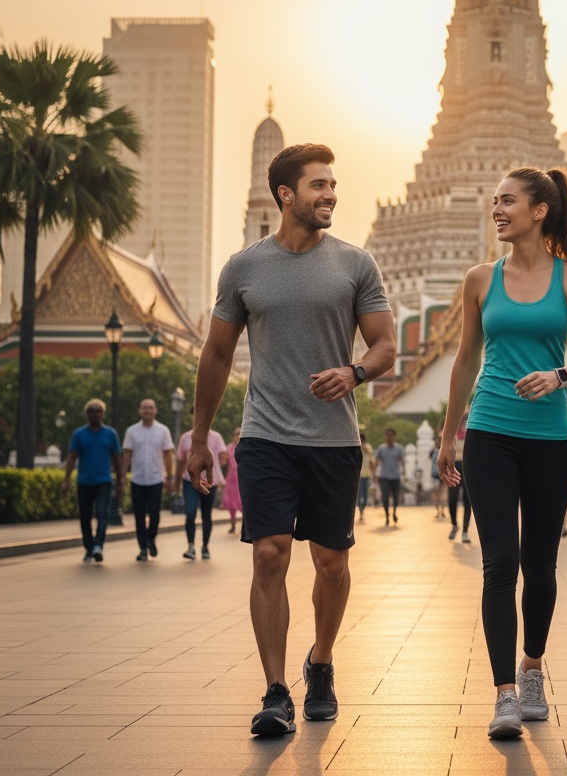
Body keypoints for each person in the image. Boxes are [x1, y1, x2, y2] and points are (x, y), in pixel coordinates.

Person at [184, 143, 395, 738]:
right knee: (269, 552)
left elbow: (384, 345)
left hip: (333, 439)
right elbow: (219, 352)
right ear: (285, 195)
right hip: (266, 434)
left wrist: (353, 372)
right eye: (317, 186)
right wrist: (201, 438)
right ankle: (276, 690)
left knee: (330, 564)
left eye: (333, 185)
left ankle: (320, 663)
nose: (330, 195)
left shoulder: (356, 265)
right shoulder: (243, 268)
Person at [438, 166, 567, 740]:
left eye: (508, 201)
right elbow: (464, 359)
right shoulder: (481, 279)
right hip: (489, 433)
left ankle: (531, 668)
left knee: (541, 566)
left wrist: (558, 375)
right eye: (494, 201)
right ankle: (504, 693)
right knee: (498, 565)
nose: (498, 209)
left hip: (552, 440)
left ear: (540, 210)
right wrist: (447, 435)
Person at [61, 399, 124, 564]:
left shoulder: (110, 434)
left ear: (103, 414)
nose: (94, 414)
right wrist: (66, 480)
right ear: (86, 415)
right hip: (84, 481)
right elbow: (71, 458)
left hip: (103, 481)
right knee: (85, 516)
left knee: (102, 514)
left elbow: (117, 459)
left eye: (97, 411)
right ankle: (89, 548)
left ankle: (98, 546)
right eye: (90, 411)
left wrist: (120, 481)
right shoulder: (79, 434)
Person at [122, 398, 174, 561]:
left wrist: (170, 476)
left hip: (156, 478)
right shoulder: (131, 431)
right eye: (144, 408)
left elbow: (168, 455)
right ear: (140, 411)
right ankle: (143, 548)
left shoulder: (163, 430)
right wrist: (122, 475)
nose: (147, 411)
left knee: (154, 514)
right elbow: (127, 455)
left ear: (155, 411)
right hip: (137, 478)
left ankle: (151, 538)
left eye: (150, 408)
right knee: (138, 515)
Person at [176, 423, 228, 559]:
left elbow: (223, 456)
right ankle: (191, 546)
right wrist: (176, 481)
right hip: (190, 480)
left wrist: (215, 466)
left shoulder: (216, 437)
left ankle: (205, 546)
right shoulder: (185, 437)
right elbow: (180, 460)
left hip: (210, 480)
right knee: (190, 512)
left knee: (206, 514)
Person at [447, 410, 472, 543]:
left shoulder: (472, 428)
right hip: (454, 465)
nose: (464, 419)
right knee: (452, 499)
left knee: (467, 500)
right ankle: (454, 525)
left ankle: (465, 531)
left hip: (468, 464)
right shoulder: (452, 429)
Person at [375, 427, 405, 527]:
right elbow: (376, 461)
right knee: (385, 497)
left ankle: (394, 512)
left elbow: (402, 461)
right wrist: (374, 474)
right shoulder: (381, 449)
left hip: (395, 476)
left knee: (396, 497)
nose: (389, 437)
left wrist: (404, 473)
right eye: (388, 435)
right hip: (384, 476)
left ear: (394, 436)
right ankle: (387, 515)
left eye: (391, 435)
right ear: (385, 436)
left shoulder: (399, 448)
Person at [222, 427, 243, 534]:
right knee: (231, 503)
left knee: (242, 501)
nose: (237, 435)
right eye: (236, 433)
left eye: (239, 433)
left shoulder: (244, 447)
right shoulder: (229, 447)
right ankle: (233, 524)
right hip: (231, 478)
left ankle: (245, 525)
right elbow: (224, 461)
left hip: (242, 477)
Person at [356, 430, 376, 523]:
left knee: (365, 495)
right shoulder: (356, 448)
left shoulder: (368, 448)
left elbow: (372, 461)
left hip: (366, 475)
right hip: (357, 475)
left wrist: (373, 473)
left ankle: (362, 509)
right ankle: (360, 511)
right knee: (358, 495)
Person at [430, 433, 446, 519]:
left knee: (435, 493)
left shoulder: (433, 451)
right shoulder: (446, 450)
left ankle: (437, 511)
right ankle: (442, 511)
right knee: (443, 492)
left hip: (435, 474)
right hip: (443, 473)